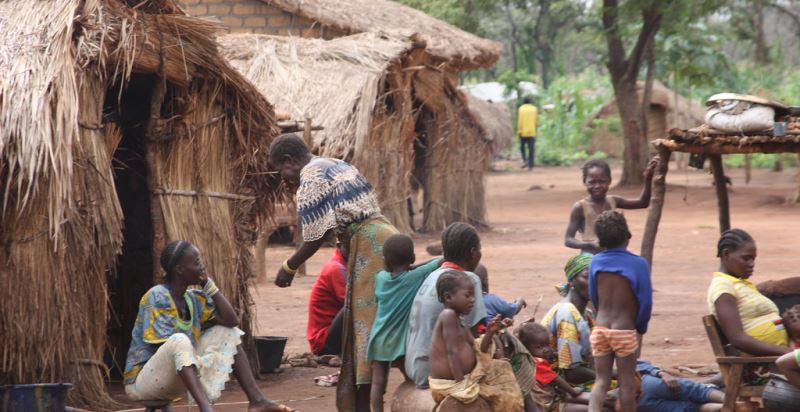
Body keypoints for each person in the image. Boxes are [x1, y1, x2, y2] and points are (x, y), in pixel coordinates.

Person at [269, 134, 399, 410]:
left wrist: (289, 267)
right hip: (385, 237)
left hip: (369, 247)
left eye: (281, 171)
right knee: (373, 327)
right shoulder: (335, 164)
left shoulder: (310, 176)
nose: (284, 179)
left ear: (289, 161)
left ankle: (364, 403)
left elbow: (316, 236)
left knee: (363, 332)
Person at [124, 241, 292, 412]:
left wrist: (209, 286)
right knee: (179, 341)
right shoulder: (157, 297)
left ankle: (257, 401)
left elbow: (231, 321)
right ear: (179, 269)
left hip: (175, 378)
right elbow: (166, 350)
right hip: (143, 383)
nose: (202, 267)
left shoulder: (194, 299)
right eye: (196, 263)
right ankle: (206, 409)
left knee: (227, 333)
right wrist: (200, 360)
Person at [405, 222, 487, 389]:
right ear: (473, 253)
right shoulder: (468, 280)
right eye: (479, 249)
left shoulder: (433, 276)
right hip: (434, 370)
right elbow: (474, 336)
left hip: (413, 365)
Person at [428, 270, 524, 411]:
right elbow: (452, 352)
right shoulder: (448, 316)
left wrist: (491, 331)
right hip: (451, 383)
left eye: (473, 295)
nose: (472, 300)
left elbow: (478, 348)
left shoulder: (460, 319)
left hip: (467, 377)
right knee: (500, 394)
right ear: (448, 297)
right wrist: (462, 383)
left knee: (503, 368)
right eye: (467, 295)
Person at [368, 234, 443, 412]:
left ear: (385, 260)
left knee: (377, 384)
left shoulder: (381, 278)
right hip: (398, 342)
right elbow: (437, 263)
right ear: (412, 258)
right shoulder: (413, 277)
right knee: (412, 377)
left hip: (378, 338)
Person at [587, 211, 653, 412]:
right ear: (628, 235)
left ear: (600, 240)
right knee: (627, 383)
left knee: (601, 381)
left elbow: (594, 296)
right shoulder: (638, 264)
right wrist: (640, 326)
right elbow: (645, 302)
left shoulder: (596, 261)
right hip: (624, 331)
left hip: (600, 329)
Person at [707, 229, 791, 356]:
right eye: (746, 258)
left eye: (753, 259)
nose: (752, 264)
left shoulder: (741, 284)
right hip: (761, 360)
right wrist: (790, 353)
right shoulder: (723, 287)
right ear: (726, 254)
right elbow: (737, 339)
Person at [564, 158, 657, 254]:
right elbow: (568, 240)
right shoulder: (580, 207)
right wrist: (590, 244)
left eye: (602, 181)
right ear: (585, 182)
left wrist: (648, 178)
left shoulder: (613, 201)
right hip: (589, 257)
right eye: (592, 182)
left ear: (609, 181)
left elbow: (643, 203)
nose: (597, 186)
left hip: (612, 255)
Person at [541, 254, 596, 385]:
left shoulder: (587, 314)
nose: (593, 283)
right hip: (560, 384)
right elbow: (572, 373)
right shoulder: (567, 313)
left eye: (596, 277)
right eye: (586, 277)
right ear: (572, 280)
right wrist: (613, 375)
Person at [517, 322, 592, 412]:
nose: (545, 349)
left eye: (547, 344)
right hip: (547, 405)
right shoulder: (537, 363)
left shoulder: (527, 360)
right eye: (538, 347)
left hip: (547, 399)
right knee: (593, 406)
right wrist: (573, 391)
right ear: (526, 349)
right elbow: (555, 379)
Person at [636, 360, 724, 412]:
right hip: (646, 385)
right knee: (697, 391)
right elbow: (637, 364)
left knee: (693, 408)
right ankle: (728, 401)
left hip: (642, 406)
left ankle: (725, 406)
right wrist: (662, 373)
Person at [306, 245, 347, 356]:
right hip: (323, 341)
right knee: (354, 304)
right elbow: (354, 304)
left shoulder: (341, 264)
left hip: (328, 334)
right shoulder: (336, 268)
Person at [518, 97, 539, 171]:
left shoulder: (521, 109)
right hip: (532, 132)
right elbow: (536, 121)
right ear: (530, 102)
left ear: (523, 102)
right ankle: (531, 166)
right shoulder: (534, 109)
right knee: (531, 149)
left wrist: (519, 131)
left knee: (522, 147)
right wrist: (536, 129)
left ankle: (524, 160)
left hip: (523, 132)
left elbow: (520, 121)